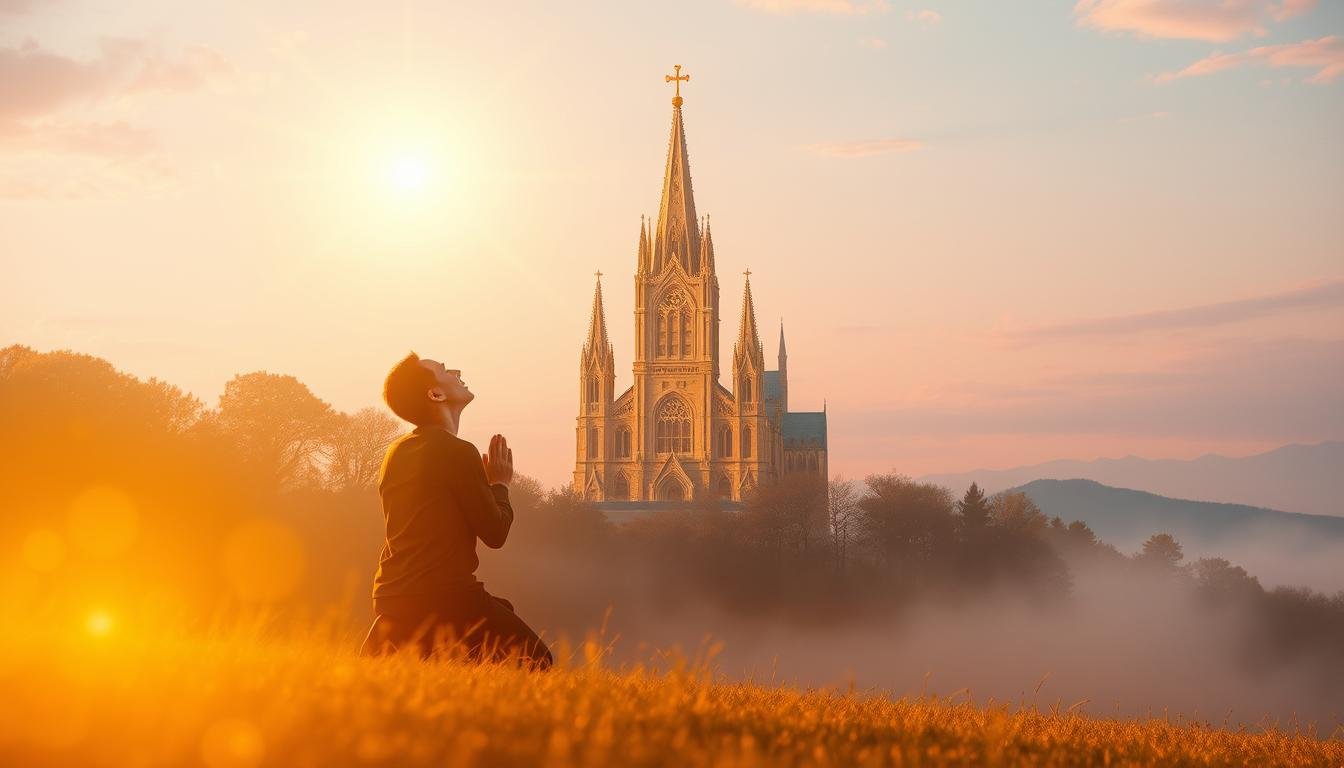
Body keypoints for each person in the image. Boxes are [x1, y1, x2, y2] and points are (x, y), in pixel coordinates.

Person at [359, 352, 552, 669]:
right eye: (445, 370)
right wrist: (499, 485)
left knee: (500, 614)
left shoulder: (395, 452)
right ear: (435, 394)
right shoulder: (458, 452)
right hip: (446, 596)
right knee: (538, 661)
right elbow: (495, 533)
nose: (457, 372)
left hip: (391, 597)